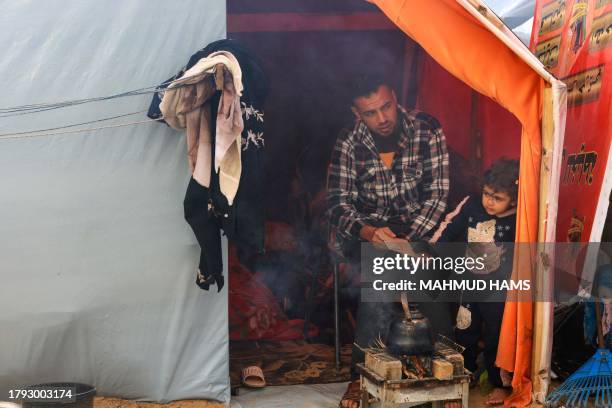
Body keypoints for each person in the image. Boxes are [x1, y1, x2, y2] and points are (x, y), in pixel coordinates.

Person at [327, 74, 451, 408]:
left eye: (386, 107)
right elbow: (338, 205)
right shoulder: (349, 141)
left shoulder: (427, 129)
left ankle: (445, 373)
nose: (382, 118)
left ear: (395, 98)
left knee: (431, 275)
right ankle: (361, 376)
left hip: (418, 230)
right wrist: (370, 233)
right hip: (368, 233)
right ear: (357, 114)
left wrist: (409, 242)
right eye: (370, 113)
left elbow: (438, 196)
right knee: (382, 272)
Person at [431, 158, 519, 406]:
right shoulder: (471, 206)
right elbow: (448, 227)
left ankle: (500, 383)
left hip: (499, 292)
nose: (489, 201)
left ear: (513, 199)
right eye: (487, 194)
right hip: (469, 285)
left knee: (497, 336)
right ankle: (463, 376)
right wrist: (431, 253)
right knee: (464, 330)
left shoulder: (520, 218)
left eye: (497, 197)